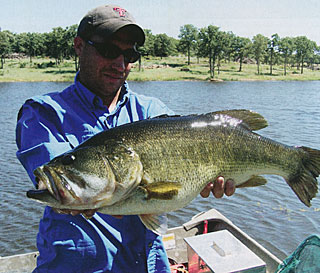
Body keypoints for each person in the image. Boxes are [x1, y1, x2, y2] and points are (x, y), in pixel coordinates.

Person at [16, 4, 235, 273]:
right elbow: (64, 189)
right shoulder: (43, 114)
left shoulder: (154, 113)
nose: (120, 64)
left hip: (149, 266)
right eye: (108, 51)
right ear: (79, 46)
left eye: (130, 54)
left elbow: (179, 185)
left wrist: (211, 180)